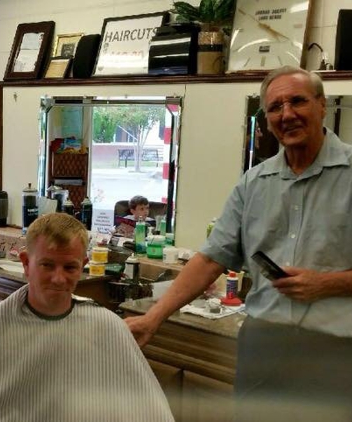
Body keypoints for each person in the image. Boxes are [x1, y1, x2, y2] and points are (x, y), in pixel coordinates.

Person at [126, 66, 352, 422]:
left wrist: (328, 283)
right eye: (275, 107)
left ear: (322, 105)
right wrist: (153, 319)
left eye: (297, 101)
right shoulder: (255, 183)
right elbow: (211, 258)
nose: (287, 114)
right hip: (262, 347)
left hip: (336, 350)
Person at [0, 213, 175, 422]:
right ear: (26, 263)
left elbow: (149, 412)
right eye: (47, 265)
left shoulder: (108, 328)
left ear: (82, 266)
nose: (59, 278)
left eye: (70, 267)